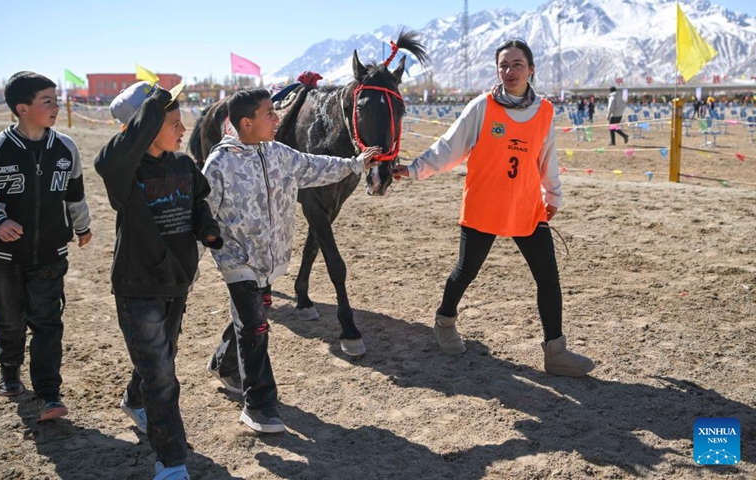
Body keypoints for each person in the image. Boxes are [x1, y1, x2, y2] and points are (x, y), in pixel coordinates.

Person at [392, 39, 594, 377]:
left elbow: (547, 157)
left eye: (517, 64)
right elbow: (449, 146)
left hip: (526, 206)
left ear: (531, 69)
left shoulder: (544, 110)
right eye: (503, 65)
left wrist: (553, 196)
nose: (509, 71)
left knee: (548, 276)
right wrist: (414, 168)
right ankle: (444, 321)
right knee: (466, 271)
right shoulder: (482, 107)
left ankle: (555, 351)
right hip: (484, 205)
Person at [203, 88, 381, 433]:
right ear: (246, 123)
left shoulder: (280, 154)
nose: (277, 118)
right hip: (237, 261)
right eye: (269, 113)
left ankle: (224, 364)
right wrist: (191, 265)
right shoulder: (220, 163)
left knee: (252, 315)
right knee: (256, 327)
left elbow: (316, 166)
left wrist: (355, 164)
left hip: (269, 259)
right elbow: (203, 215)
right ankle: (259, 405)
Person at [94, 81, 222, 480]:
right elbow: (111, 161)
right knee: (163, 377)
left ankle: (136, 400)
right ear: (145, 128)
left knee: (160, 359)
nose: (184, 130)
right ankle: (170, 460)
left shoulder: (182, 163)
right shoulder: (123, 172)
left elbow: (197, 201)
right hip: (139, 286)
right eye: (173, 123)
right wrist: (150, 106)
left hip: (176, 282)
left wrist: (208, 230)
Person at [0, 71, 92, 421]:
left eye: (56, 100)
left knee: (48, 323)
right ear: (22, 108)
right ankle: (9, 369)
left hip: (50, 256)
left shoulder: (65, 147)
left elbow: (74, 195)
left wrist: (82, 227)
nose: (56, 107)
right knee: (11, 320)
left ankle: (49, 393)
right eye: (48, 101)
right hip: (5, 260)